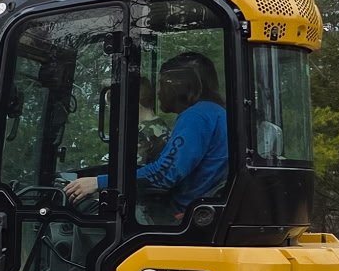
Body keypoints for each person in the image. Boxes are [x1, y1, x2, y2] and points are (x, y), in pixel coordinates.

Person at [63, 52, 228, 214]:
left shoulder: (197, 117)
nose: (158, 92)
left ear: (179, 86)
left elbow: (164, 174)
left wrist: (98, 183)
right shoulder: (214, 113)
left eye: (162, 84)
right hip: (189, 207)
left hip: (176, 215)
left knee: (87, 215)